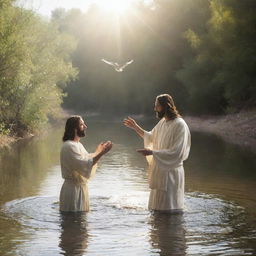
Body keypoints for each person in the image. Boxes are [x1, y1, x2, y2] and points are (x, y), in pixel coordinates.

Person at [123, 94, 191, 212]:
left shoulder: (180, 125)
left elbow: (177, 152)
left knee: (170, 210)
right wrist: (135, 127)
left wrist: (152, 152)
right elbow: (151, 137)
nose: (155, 109)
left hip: (171, 173)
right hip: (160, 170)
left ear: (167, 106)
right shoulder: (163, 122)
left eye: (157, 106)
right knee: (156, 211)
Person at [60, 115, 112, 212]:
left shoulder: (77, 144)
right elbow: (84, 164)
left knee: (81, 223)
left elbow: (86, 158)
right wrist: (101, 154)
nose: (85, 126)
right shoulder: (69, 146)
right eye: (81, 124)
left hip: (79, 188)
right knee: (72, 222)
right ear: (75, 129)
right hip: (72, 191)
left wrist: (98, 152)